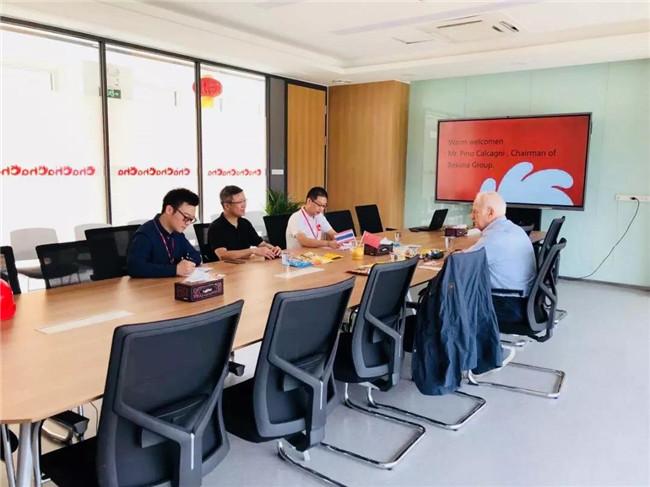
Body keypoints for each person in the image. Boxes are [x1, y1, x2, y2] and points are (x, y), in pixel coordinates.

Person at [465, 191, 537, 323]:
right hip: (525, 302)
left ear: (490, 212)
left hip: (509, 305)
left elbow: (463, 264)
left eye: (475, 212)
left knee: (449, 299)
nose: (471, 216)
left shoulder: (495, 236)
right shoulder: (514, 229)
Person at [127, 188, 202, 278]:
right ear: (169, 210)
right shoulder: (145, 234)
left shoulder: (177, 233)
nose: (188, 223)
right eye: (186, 217)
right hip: (148, 285)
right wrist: (175, 270)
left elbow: (196, 256)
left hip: (170, 282)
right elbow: (135, 268)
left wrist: (187, 264)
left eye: (191, 219)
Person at [208, 185, 281, 260]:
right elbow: (223, 255)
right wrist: (252, 251)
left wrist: (273, 249)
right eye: (239, 202)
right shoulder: (216, 227)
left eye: (244, 201)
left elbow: (261, 244)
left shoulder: (245, 223)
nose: (244, 205)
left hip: (245, 265)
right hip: (224, 266)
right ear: (227, 206)